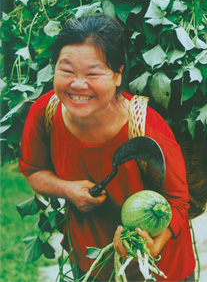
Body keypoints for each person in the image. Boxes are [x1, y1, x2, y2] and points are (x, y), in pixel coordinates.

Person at [18, 14, 196, 281]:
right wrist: (68, 189)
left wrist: (154, 244)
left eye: (93, 73)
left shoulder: (146, 127)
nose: (78, 84)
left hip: (159, 269)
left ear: (117, 75)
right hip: (92, 263)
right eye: (66, 70)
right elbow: (32, 170)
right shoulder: (45, 112)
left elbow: (179, 201)